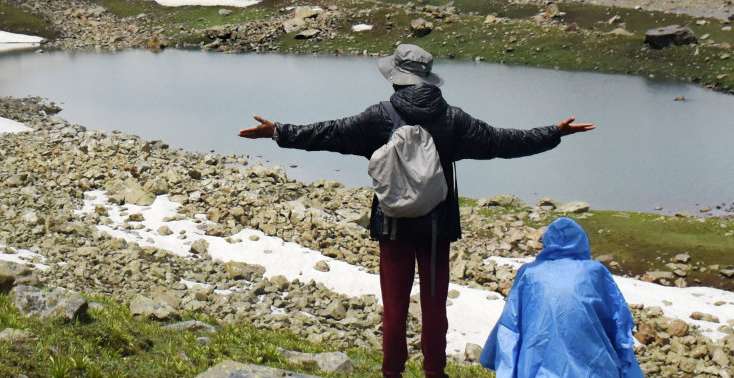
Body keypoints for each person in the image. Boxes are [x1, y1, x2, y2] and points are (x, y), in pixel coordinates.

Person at [238, 43, 596, 378]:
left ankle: (392, 373)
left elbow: (329, 133)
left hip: (394, 227)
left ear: (396, 77)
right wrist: (554, 133)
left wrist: (278, 132)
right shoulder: (453, 119)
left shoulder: (379, 117)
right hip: (437, 229)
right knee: (435, 308)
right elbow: (501, 141)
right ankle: (434, 374)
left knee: (394, 310)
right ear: (428, 79)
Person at [479, 217, 644, 378]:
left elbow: (509, 326)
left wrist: (489, 358)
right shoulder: (594, 272)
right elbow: (618, 324)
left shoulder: (530, 274)